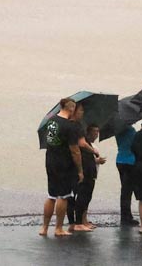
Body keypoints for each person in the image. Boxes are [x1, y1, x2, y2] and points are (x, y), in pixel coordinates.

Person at [40, 98, 83, 237]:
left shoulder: (51, 120)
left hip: (50, 159)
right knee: (63, 196)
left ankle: (44, 228)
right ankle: (58, 228)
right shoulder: (69, 126)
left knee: (51, 195)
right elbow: (75, 151)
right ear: (71, 108)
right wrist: (80, 170)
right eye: (74, 108)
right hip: (64, 163)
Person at [66, 107, 102, 232]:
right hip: (84, 169)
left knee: (77, 195)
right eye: (81, 110)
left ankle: (78, 221)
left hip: (78, 167)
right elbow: (80, 146)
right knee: (82, 195)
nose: (82, 113)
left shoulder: (70, 126)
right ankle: (78, 222)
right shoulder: (77, 128)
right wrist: (94, 152)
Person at [72, 124, 105, 230]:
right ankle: (78, 222)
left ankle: (84, 220)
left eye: (98, 131)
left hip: (91, 173)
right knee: (82, 197)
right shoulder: (84, 144)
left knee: (87, 197)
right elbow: (81, 158)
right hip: (85, 173)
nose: (97, 134)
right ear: (88, 132)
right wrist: (95, 157)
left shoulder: (91, 144)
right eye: (95, 131)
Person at [115, 125, 138, 226]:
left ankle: (126, 214)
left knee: (125, 189)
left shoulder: (116, 130)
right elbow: (136, 145)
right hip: (130, 161)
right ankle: (125, 217)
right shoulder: (131, 130)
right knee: (127, 191)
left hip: (120, 160)